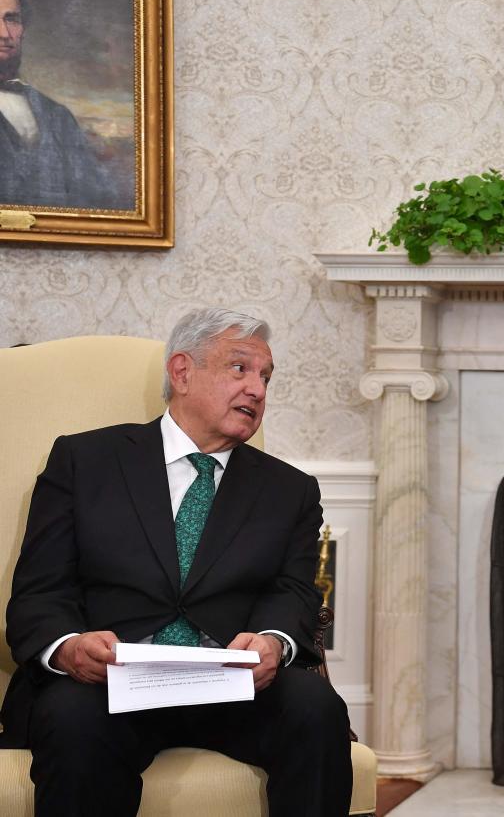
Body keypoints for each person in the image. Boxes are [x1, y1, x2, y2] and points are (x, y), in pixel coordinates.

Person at [1, 308, 353, 816]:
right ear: (182, 372)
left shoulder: (290, 490)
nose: (257, 389)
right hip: (109, 684)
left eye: (265, 377)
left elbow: (293, 592)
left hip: (234, 687)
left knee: (316, 708)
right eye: (240, 369)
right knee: (72, 719)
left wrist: (275, 643)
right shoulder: (85, 462)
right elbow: (40, 590)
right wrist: (68, 647)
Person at [0, 0, 129, 210]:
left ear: (23, 30)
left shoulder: (57, 115)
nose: (4, 33)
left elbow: (98, 197)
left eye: (11, 19)